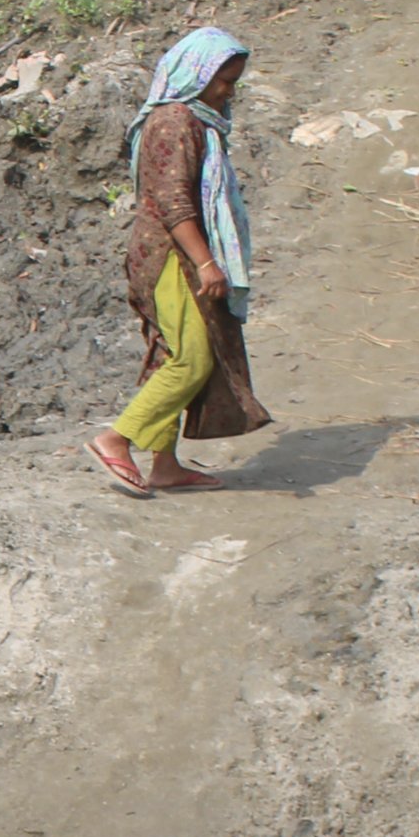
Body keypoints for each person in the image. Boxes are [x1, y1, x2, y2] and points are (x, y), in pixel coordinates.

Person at [90, 25, 272, 497]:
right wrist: (207, 263)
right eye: (224, 81)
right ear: (198, 75)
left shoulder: (196, 122)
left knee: (174, 354)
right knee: (192, 358)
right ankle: (117, 438)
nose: (228, 92)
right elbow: (174, 203)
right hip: (171, 257)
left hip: (175, 254)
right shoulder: (176, 122)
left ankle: (165, 465)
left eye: (233, 82)